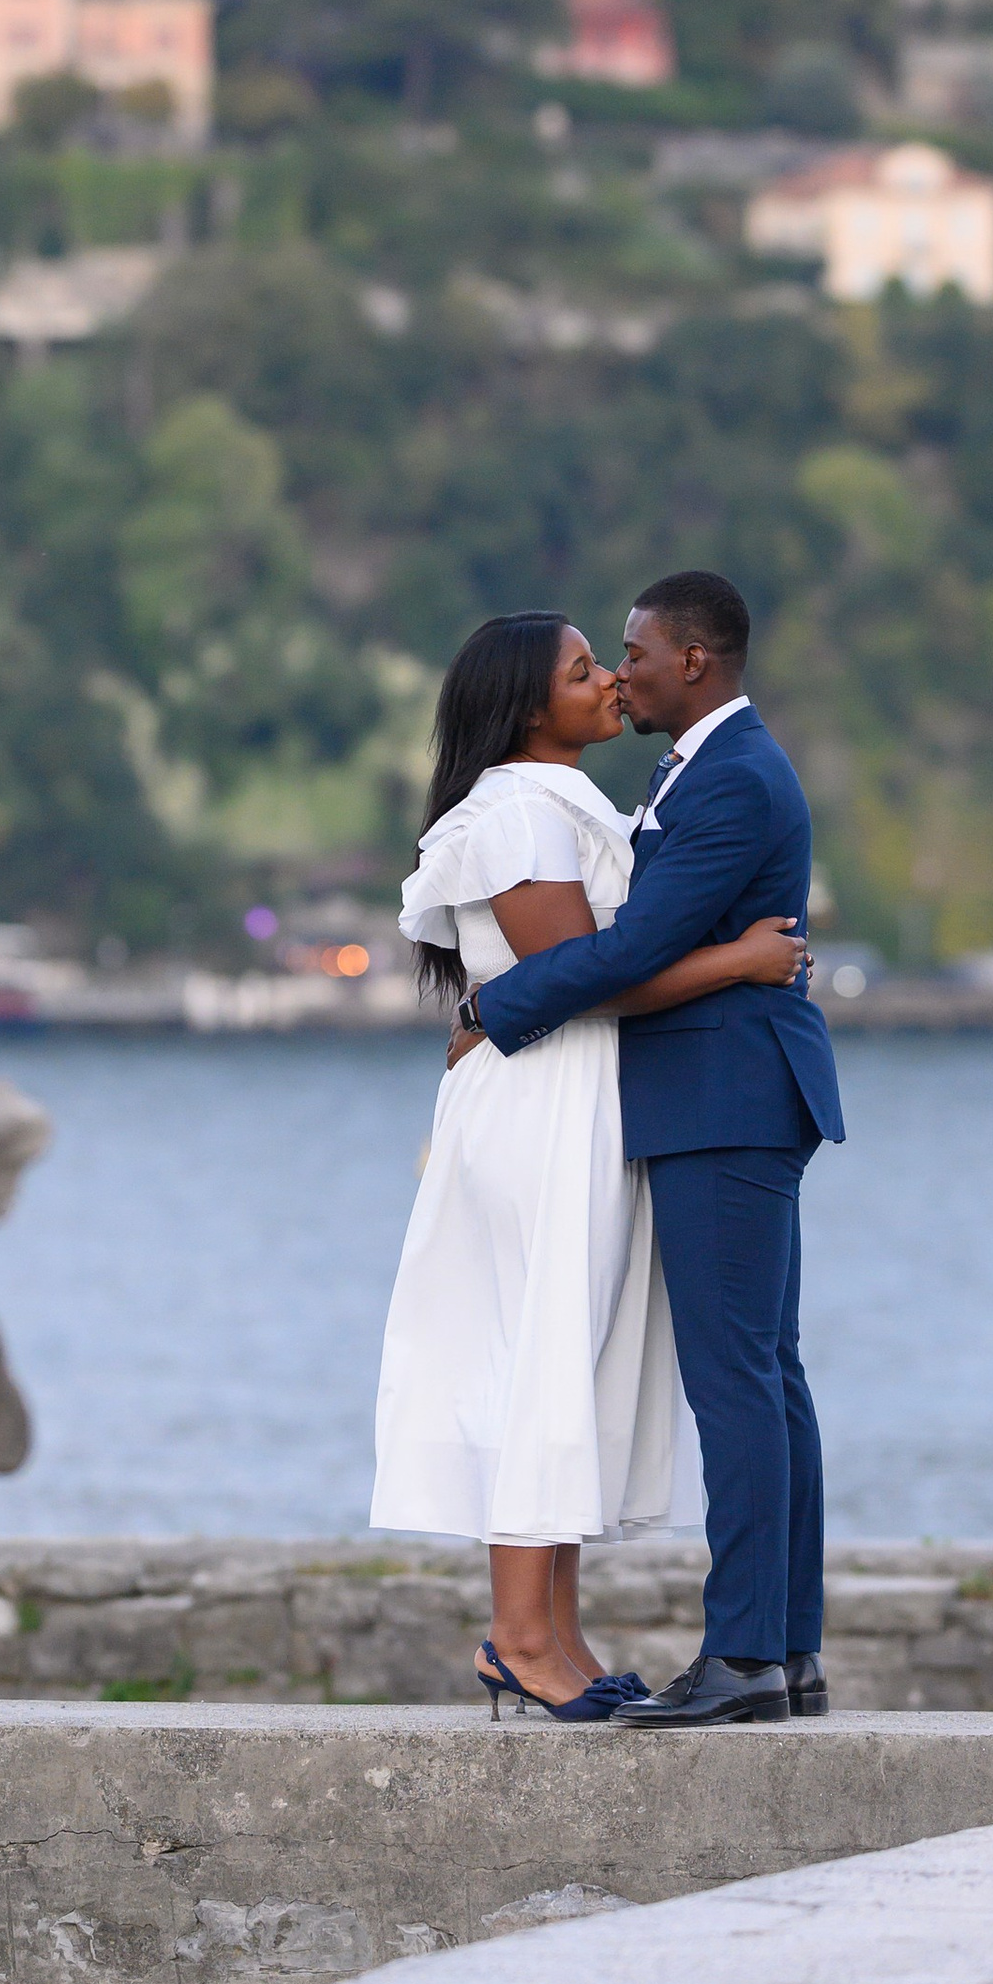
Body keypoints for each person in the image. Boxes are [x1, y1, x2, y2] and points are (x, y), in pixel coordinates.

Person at [374, 611, 811, 1722]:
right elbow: (587, 976)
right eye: (582, 671)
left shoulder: (566, 803)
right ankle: (520, 1638)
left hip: (579, 1095)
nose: (611, 679)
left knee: (564, 1352)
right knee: (534, 1349)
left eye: (610, 661)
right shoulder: (517, 811)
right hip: (536, 1099)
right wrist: (742, 962)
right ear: (528, 710)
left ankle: (554, 1634)